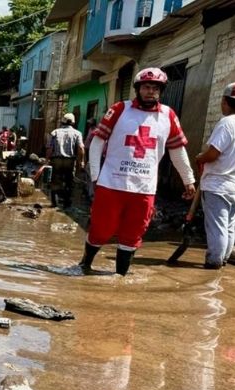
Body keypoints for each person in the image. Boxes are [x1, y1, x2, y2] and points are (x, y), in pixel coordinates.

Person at [80, 67, 197, 276]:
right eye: (146, 87)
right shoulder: (119, 109)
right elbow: (98, 142)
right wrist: (96, 175)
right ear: (138, 89)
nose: (150, 91)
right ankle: (85, 264)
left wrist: (188, 180)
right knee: (101, 230)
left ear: (161, 91)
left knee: (133, 234)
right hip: (111, 184)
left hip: (144, 188)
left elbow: (177, 151)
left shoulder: (168, 116)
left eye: (155, 88)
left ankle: (120, 278)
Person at [195, 82, 235, 269]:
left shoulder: (226, 123)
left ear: (224, 101)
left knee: (217, 227)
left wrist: (200, 157)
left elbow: (213, 154)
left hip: (218, 184)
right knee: (228, 225)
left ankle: (214, 262)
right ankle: (223, 259)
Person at [46, 113, 85, 208]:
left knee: (55, 181)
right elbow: (81, 148)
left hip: (56, 160)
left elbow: (49, 148)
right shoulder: (77, 133)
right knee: (69, 181)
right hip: (70, 161)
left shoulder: (55, 132)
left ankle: (54, 203)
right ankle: (67, 204)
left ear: (62, 121)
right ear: (73, 123)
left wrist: (47, 159)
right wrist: (81, 161)